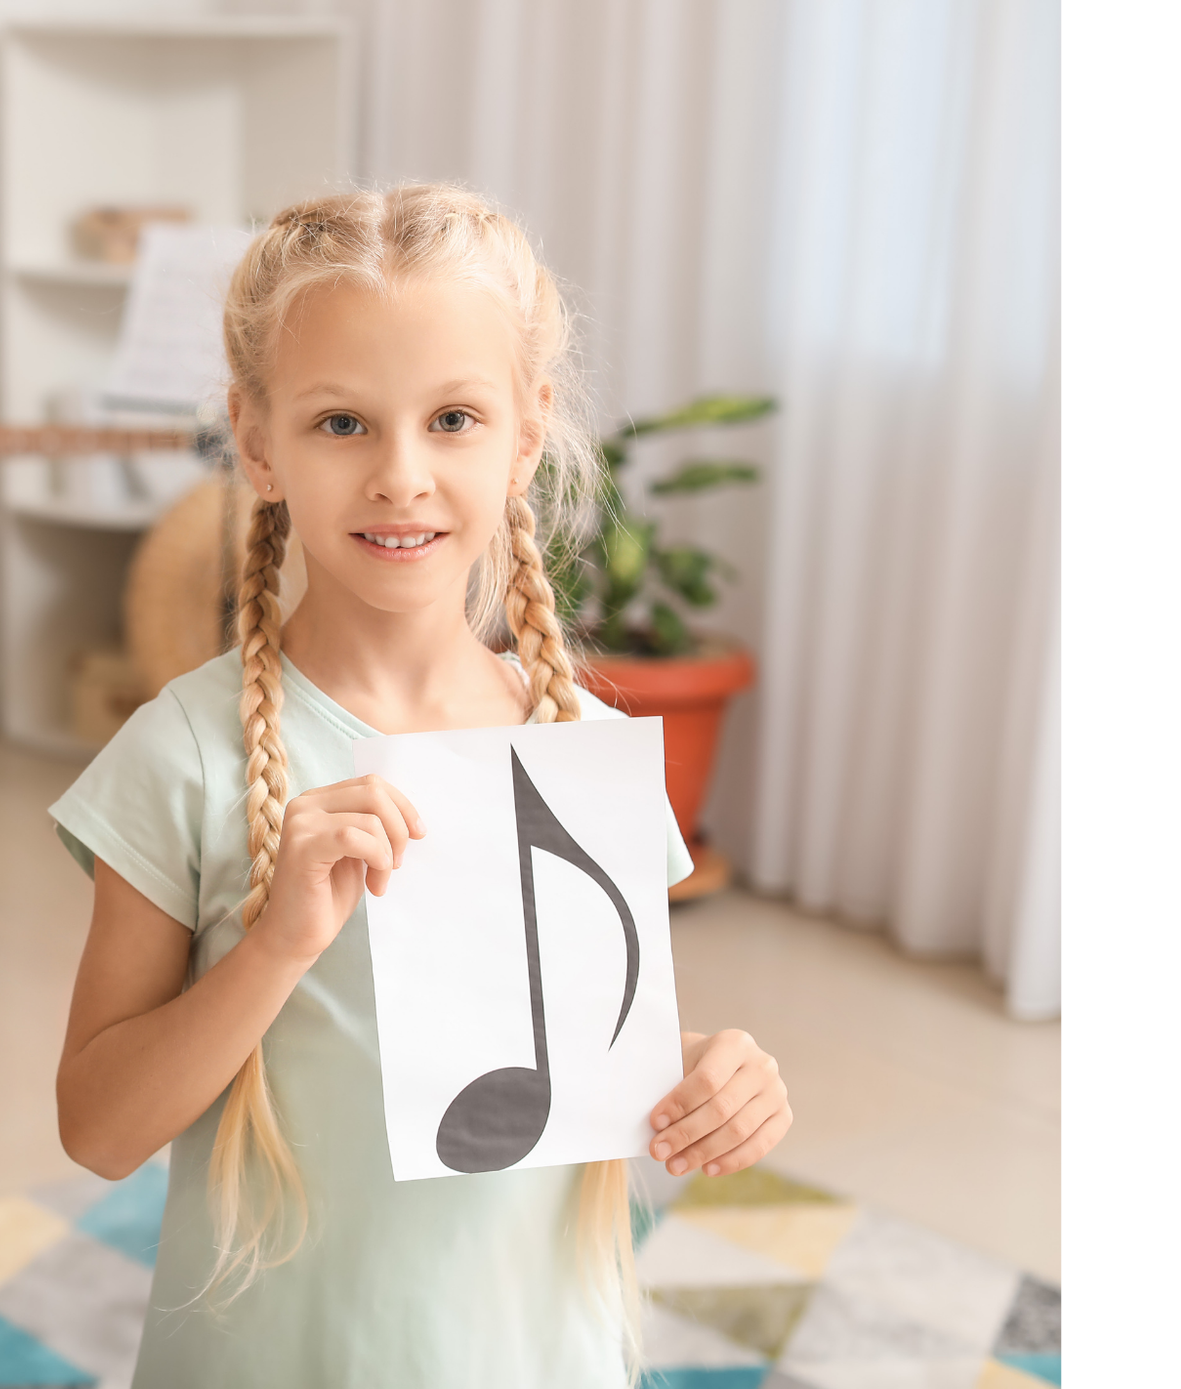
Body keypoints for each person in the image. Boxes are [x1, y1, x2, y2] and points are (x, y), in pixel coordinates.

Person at [49, 186, 793, 1386]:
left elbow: (578, 1053)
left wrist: (710, 1070)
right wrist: (272, 947)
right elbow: (97, 1128)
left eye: (452, 418)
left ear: (527, 432)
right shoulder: (182, 751)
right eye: (342, 424)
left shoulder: (579, 747)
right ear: (256, 441)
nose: (401, 475)